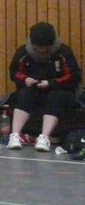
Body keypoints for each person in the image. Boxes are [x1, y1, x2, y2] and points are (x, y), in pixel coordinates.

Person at [6, 22, 82, 152]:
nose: (41, 50)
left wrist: (51, 83)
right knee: (23, 94)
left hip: (59, 90)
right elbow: (14, 73)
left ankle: (44, 137)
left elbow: (74, 76)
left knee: (56, 97)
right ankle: (15, 135)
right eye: (38, 48)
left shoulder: (64, 52)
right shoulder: (23, 52)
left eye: (45, 47)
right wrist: (25, 79)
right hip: (33, 89)